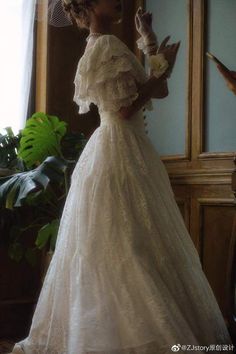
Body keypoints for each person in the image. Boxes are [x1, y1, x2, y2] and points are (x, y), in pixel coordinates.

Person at [10, 0, 233, 353]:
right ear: (88, 5)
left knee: (134, 240)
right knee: (128, 243)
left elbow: (158, 91)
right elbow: (126, 107)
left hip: (127, 148)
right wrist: (161, 69)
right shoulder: (106, 46)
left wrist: (149, 41)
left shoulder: (105, 46)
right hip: (119, 148)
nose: (119, 1)